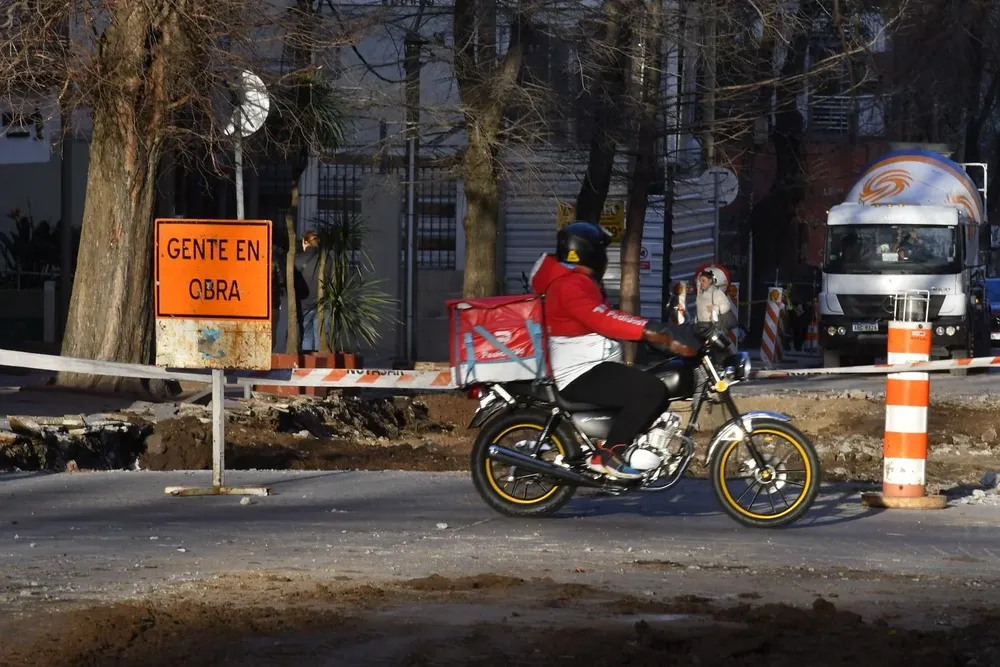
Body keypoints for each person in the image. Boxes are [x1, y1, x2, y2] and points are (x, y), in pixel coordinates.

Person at [529, 221, 699, 481]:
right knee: (650, 390)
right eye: (602, 251)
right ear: (590, 253)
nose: (605, 258)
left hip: (590, 366)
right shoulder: (571, 285)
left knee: (652, 384)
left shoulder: (575, 282)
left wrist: (658, 337)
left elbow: (604, 320)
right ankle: (608, 454)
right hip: (580, 373)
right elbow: (603, 319)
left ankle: (627, 446)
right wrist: (653, 331)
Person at [293, 231, 322, 352]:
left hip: (303, 304)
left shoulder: (297, 260)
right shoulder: (326, 260)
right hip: (322, 304)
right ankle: (321, 363)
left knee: (306, 337)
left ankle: (308, 362)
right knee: (321, 337)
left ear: (305, 242)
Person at [695, 269, 738, 335]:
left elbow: (726, 307)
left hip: (713, 327)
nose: (701, 283)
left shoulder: (717, 292)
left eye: (703, 280)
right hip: (701, 326)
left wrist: (715, 308)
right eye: (700, 281)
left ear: (710, 281)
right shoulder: (700, 294)